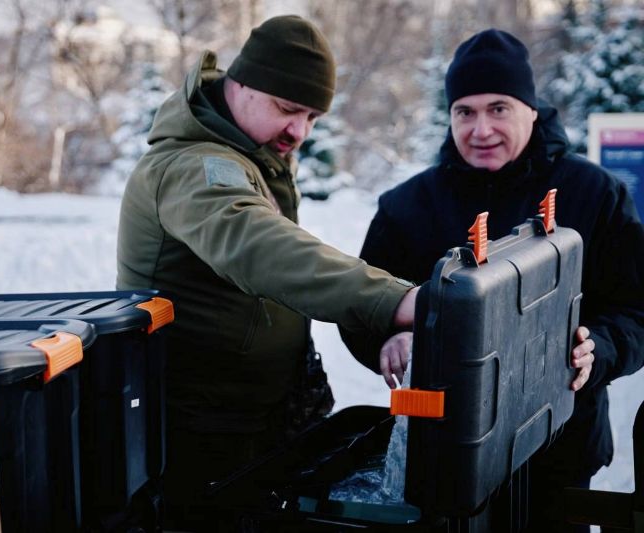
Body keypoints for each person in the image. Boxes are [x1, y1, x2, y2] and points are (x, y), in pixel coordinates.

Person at [116, 15, 417, 529]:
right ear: (241, 85)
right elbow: (259, 246)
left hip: (257, 423)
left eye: (313, 117)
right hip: (201, 436)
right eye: (287, 109)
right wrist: (395, 300)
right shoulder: (194, 166)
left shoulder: (249, 156)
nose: (300, 132)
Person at [343, 29, 644, 532]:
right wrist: (388, 338)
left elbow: (635, 310)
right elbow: (360, 306)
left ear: (531, 109)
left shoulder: (594, 193)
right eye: (465, 112)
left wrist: (602, 348)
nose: (480, 129)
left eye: (498, 108)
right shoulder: (406, 206)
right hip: (445, 460)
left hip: (560, 457)